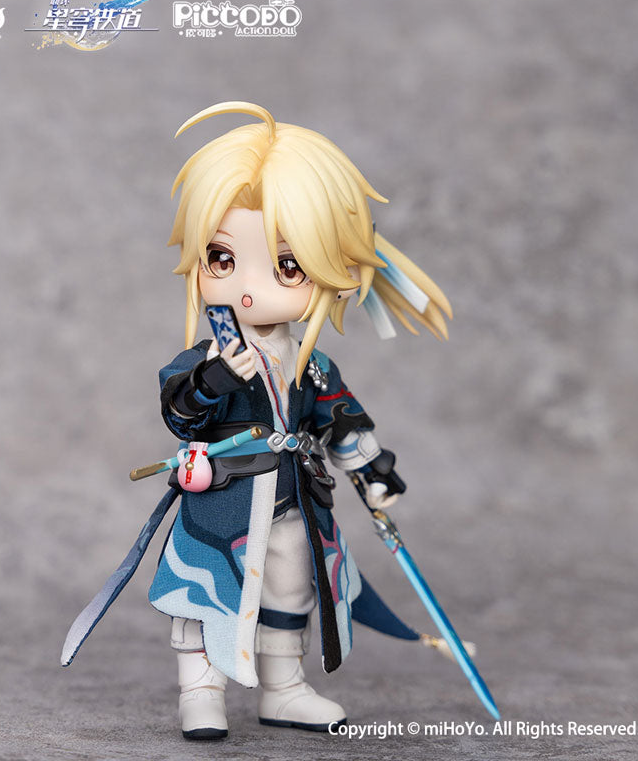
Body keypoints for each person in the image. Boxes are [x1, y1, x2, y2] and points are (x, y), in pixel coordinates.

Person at [148, 101, 452, 739]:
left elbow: (342, 419)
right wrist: (216, 379)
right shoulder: (205, 357)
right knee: (206, 594)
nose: (247, 287)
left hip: (293, 501)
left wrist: (372, 470)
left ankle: (283, 688)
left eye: (287, 266)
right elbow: (179, 411)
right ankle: (200, 693)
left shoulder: (311, 365)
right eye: (222, 258)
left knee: (291, 591)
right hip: (222, 505)